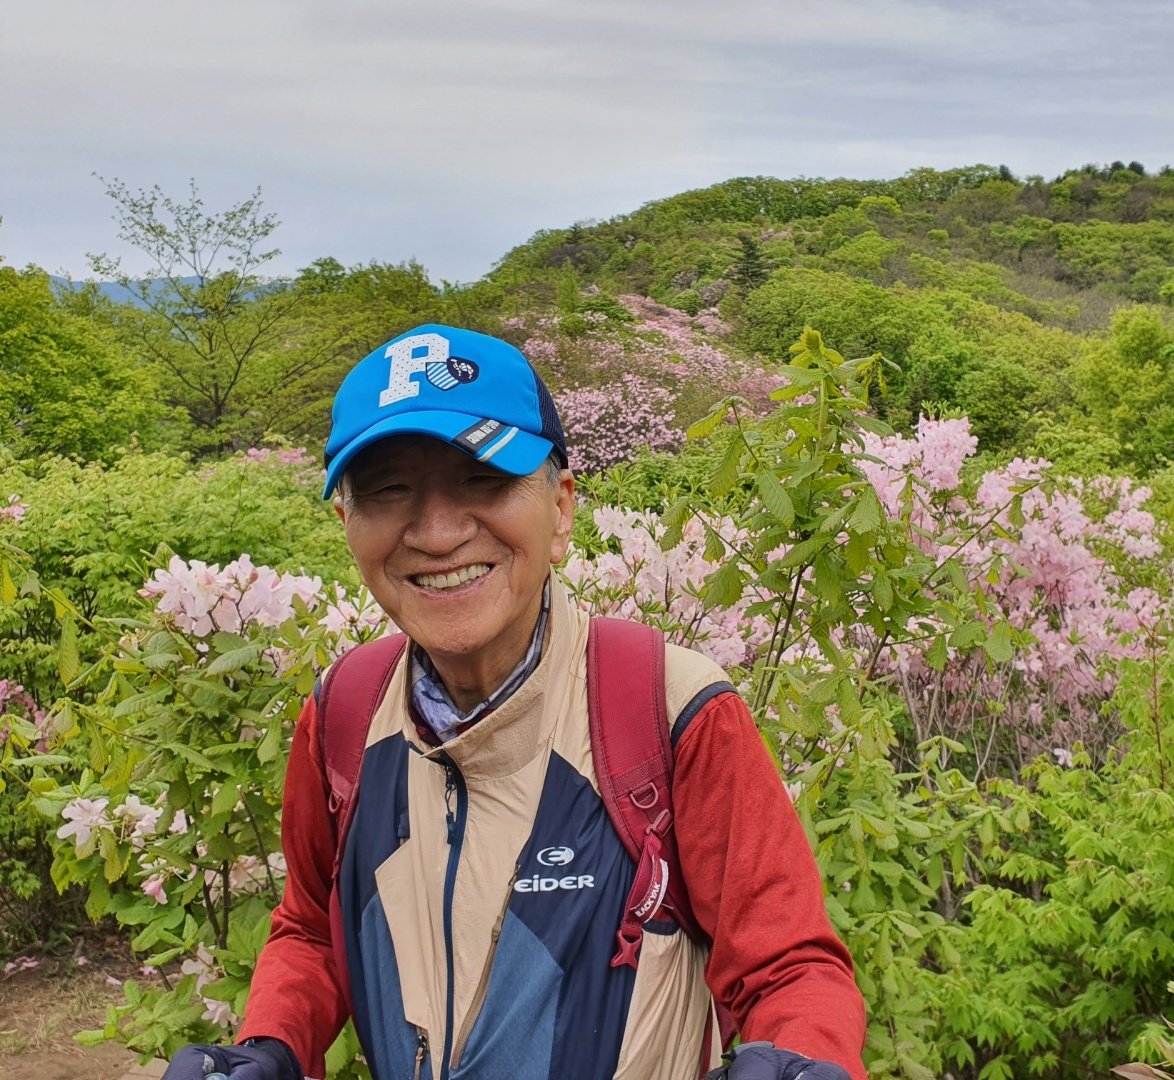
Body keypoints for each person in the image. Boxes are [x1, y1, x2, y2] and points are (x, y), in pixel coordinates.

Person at [162, 325, 867, 1080]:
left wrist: (801, 1056)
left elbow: (788, 966)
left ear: (561, 509)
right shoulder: (343, 712)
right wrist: (272, 1044)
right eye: (388, 490)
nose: (435, 532)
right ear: (347, 525)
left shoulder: (669, 710)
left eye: (484, 478)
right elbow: (312, 926)